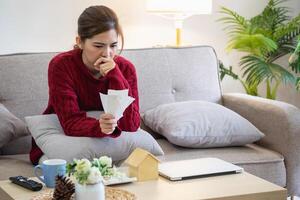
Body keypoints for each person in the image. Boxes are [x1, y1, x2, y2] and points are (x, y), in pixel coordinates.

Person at [30, 5, 140, 165]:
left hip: (110, 143)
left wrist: (116, 77)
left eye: (113, 45)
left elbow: (131, 124)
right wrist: (100, 127)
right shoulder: (61, 65)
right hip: (67, 136)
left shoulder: (125, 68)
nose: (107, 53)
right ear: (80, 42)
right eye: (98, 45)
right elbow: (70, 121)